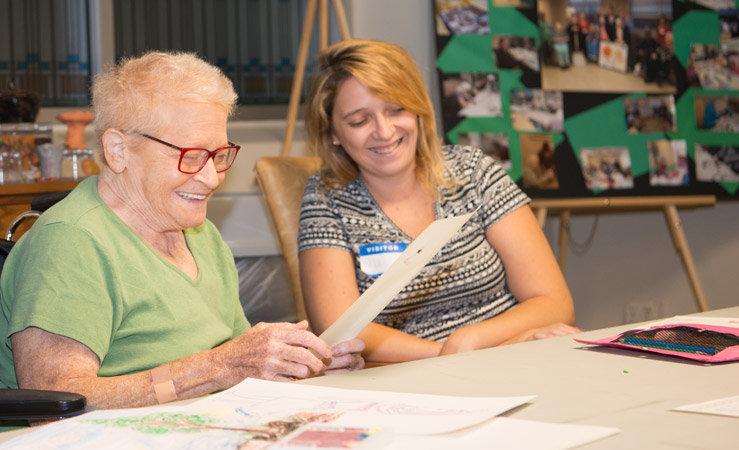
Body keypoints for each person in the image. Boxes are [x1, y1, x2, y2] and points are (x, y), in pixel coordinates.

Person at [0, 51, 364, 414]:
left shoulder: (202, 236)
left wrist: (299, 365)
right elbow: (52, 404)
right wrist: (215, 368)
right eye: (190, 156)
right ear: (117, 149)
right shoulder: (71, 241)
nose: (211, 178)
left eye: (219, 155)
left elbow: (239, 364)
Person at [297, 39, 579, 364]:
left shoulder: (474, 172)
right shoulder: (326, 199)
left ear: (417, 109)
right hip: (414, 381)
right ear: (332, 132)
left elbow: (554, 302)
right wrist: (461, 354)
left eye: (396, 109)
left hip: (518, 359)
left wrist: (471, 339)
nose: (384, 131)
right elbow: (341, 331)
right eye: (359, 121)